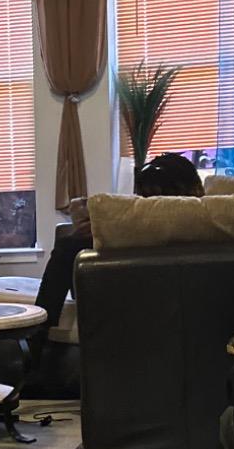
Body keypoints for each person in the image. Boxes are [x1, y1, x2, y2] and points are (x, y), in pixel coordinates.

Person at [30, 153, 203, 373]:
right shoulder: (204, 218)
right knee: (71, 245)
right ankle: (36, 341)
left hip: (135, 289)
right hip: (136, 282)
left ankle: (35, 342)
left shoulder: (178, 223)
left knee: (68, 247)